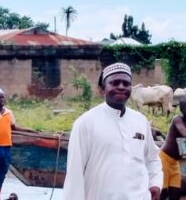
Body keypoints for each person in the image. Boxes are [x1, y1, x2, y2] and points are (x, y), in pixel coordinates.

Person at [63, 62, 162, 200]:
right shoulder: (85, 123)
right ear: (102, 89)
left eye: (126, 83)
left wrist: (155, 184)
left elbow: (152, 158)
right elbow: (75, 173)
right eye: (115, 83)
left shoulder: (140, 120)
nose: (121, 87)